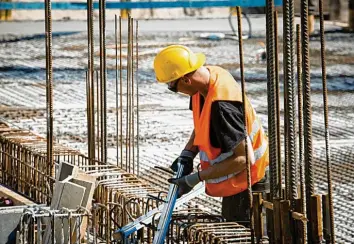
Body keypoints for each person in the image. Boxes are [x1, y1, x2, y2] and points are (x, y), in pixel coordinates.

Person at [153, 45, 269, 226]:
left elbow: (245, 158)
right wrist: (188, 152)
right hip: (237, 177)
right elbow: (202, 123)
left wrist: (194, 179)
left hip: (250, 182)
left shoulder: (222, 106)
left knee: (241, 234)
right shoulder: (208, 79)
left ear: (185, 79)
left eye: (172, 86)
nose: (174, 91)